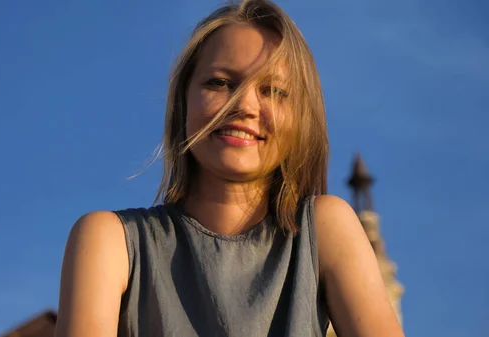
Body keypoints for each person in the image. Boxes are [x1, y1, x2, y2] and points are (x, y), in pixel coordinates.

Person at [55, 0, 405, 336]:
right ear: (183, 101)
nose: (245, 106)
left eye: (273, 91)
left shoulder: (326, 230)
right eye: (220, 83)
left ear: (301, 120)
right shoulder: (110, 241)